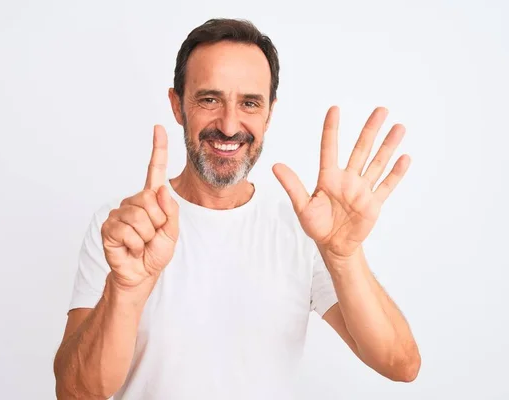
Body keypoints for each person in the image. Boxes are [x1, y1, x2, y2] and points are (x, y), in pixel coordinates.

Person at [53, 18, 421, 400]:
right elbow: (76, 393)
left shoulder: (304, 229)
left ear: (269, 113)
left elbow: (400, 365)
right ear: (177, 105)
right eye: (209, 99)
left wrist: (343, 256)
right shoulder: (126, 229)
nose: (229, 125)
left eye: (249, 103)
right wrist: (125, 289)